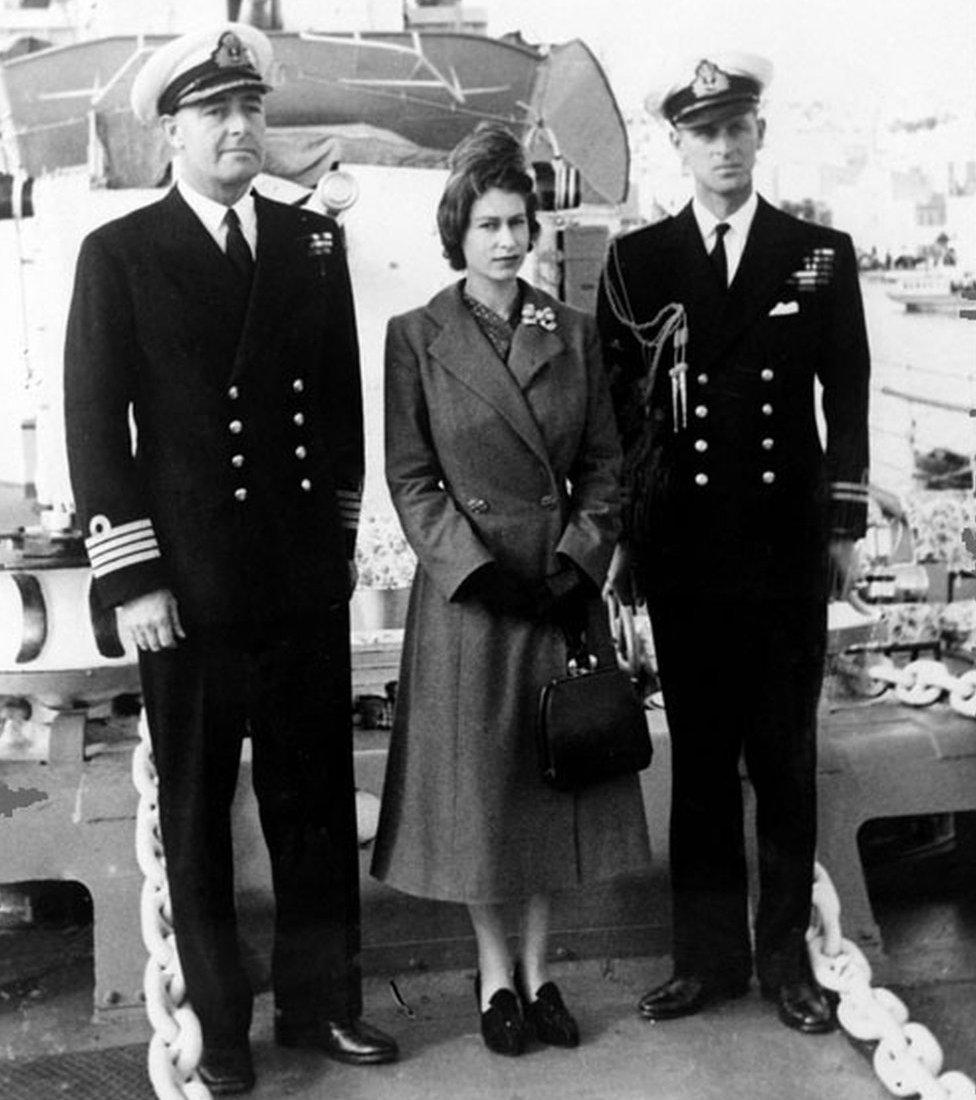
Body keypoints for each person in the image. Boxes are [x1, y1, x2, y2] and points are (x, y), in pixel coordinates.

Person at [63, 24, 397, 1094]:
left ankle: (322, 1003)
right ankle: (221, 1023)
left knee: (310, 798)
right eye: (216, 113)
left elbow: (340, 415)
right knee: (200, 810)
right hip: (189, 591)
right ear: (173, 132)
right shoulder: (119, 252)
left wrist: (335, 551)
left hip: (297, 580)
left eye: (251, 109)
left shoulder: (308, 244)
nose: (241, 127)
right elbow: (94, 429)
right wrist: (134, 575)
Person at [596, 53, 870, 1035]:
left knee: (784, 760)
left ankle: (785, 962)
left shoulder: (817, 253)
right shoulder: (637, 262)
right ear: (678, 143)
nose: (721, 146)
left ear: (758, 135)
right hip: (684, 550)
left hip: (783, 547)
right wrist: (623, 534)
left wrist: (842, 522)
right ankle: (702, 960)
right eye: (702, 132)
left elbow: (846, 390)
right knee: (702, 764)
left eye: (735, 128)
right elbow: (620, 409)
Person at [371, 123, 650, 1056]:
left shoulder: (570, 333)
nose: (504, 241)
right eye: (487, 223)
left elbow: (608, 466)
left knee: (551, 789)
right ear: (458, 232)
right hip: (472, 599)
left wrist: (577, 562)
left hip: (559, 591)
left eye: (517, 222)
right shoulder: (415, 337)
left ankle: (543, 972)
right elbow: (411, 479)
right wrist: (478, 572)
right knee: (482, 798)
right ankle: (494, 976)